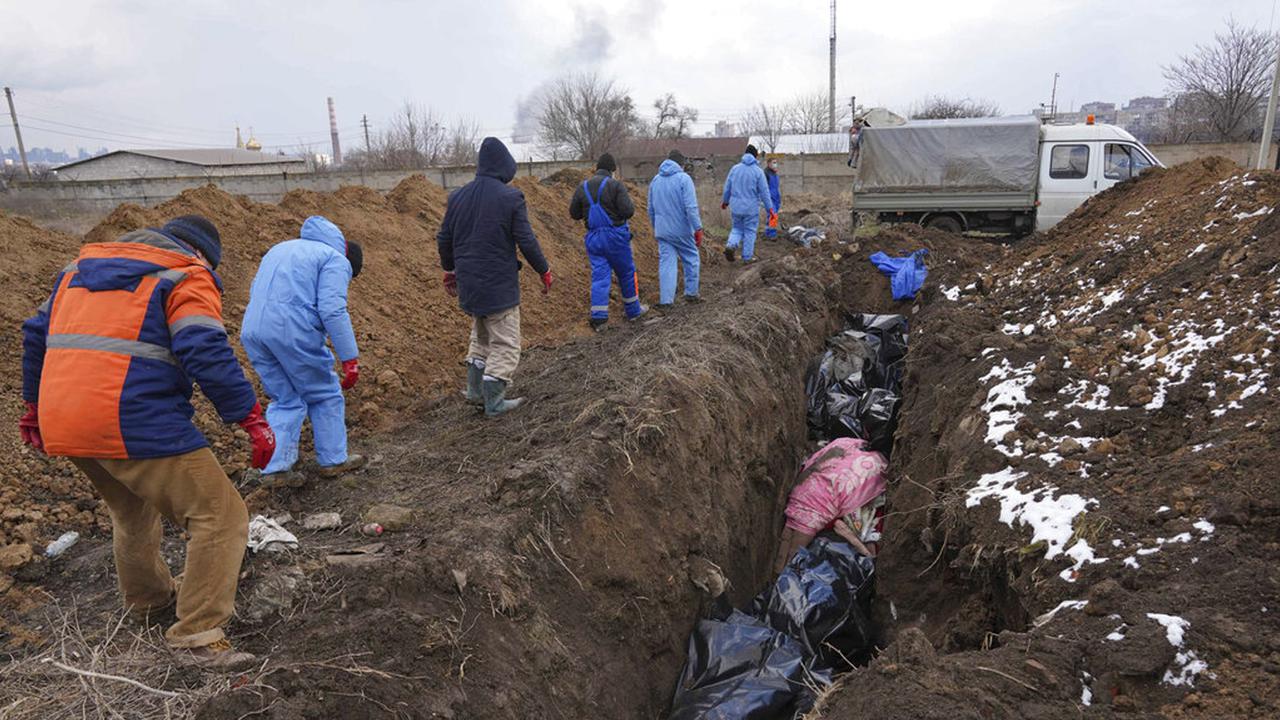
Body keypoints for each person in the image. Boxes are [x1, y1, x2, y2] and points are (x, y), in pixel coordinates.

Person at [19, 216, 275, 669]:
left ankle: (149, 602)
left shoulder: (75, 272)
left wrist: (34, 408)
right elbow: (204, 348)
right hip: (131, 416)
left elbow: (35, 334)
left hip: (65, 417)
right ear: (200, 254)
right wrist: (249, 417)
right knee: (220, 515)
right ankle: (197, 636)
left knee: (132, 510)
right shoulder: (184, 273)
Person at [240, 216, 365, 485]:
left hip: (253, 329)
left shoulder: (280, 249)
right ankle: (333, 460)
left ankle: (275, 469)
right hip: (291, 329)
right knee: (325, 393)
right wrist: (349, 358)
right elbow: (332, 309)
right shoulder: (334, 259)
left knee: (285, 398)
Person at [438, 137, 553, 417]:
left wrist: (450, 269)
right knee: (505, 342)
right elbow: (525, 239)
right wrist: (543, 269)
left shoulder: (458, 196)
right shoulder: (511, 197)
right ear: (505, 167)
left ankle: (475, 392)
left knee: (481, 336)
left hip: (470, 284)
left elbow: (444, 237)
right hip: (498, 284)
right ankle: (495, 401)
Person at [772, 438, 887, 574]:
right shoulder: (878, 467)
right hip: (817, 509)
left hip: (801, 494)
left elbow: (814, 461)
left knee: (785, 546)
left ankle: (775, 580)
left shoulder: (846, 442)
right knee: (791, 554)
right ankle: (779, 583)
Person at [570, 152, 646, 329]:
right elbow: (628, 211)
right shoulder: (615, 185)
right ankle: (634, 311)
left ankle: (599, 317)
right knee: (626, 273)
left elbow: (574, 214)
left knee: (600, 276)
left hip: (594, 239)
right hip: (616, 237)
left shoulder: (583, 187)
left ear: (596, 169)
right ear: (612, 170)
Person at [647, 149, 704, 308]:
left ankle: (666, 301)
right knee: (691, 258)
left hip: (662, 231)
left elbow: (650, 209)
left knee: (667, 264)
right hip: (682, 230)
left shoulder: (655, 180)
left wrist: (655, 226)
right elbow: (691, 207)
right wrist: (698, 228)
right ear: (681, 164)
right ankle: (691, 293)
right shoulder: (684, 179)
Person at [720, 144, 775, 263]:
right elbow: (764, 192)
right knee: (750, 231)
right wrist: (769, 208)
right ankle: (747, 257)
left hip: (736, 208)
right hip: (751, 209)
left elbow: (727, 188)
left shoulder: (735, 169)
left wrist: (725, 202)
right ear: (755, 156)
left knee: (736, 229)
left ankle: (731, 245)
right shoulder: (758, 172)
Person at [764, 157, 782, 239]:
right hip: (770, 197)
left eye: (776, 162)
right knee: (773, 215)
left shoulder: (775, 173)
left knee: (771, 216)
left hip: (776, 197)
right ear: (768, 164)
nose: (775, 164)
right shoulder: (766, 173)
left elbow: (776, 187)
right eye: (773, 162)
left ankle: (767, 231)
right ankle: (772, 234)